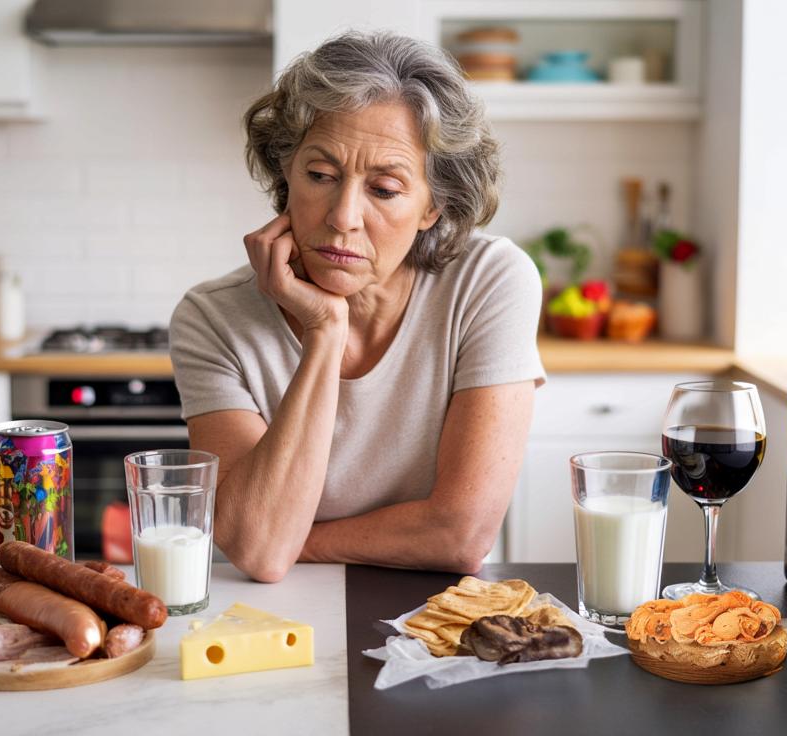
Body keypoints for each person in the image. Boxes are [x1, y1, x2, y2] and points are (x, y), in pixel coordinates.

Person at [169, 31, 544, 582]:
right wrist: (324, 331)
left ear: (433, 208)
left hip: (428, 610)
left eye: (385, 189)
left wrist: (295, 539)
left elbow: (460, 535)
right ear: (285, 176)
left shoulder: (489, 281)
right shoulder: (212, 318)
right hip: (273, 614)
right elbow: (258, 553)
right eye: (320, 176)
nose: (343, 216)